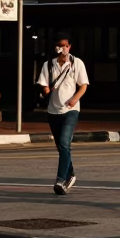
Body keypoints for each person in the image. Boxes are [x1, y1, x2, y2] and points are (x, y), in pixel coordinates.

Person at [37, 34, 88, 195]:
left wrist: (74, 99)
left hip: (71, 110)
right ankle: (70, 174)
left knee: (65, 143)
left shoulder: (76, 63)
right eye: (60, 46)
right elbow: (44, 85)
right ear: (56, 48)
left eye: (66, 45)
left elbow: (83, 85)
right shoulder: (48, 65)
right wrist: (45, 90)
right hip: (54, 111)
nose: (63, 48)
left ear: (70, 47)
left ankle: (60, 180)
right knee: (61, 146)